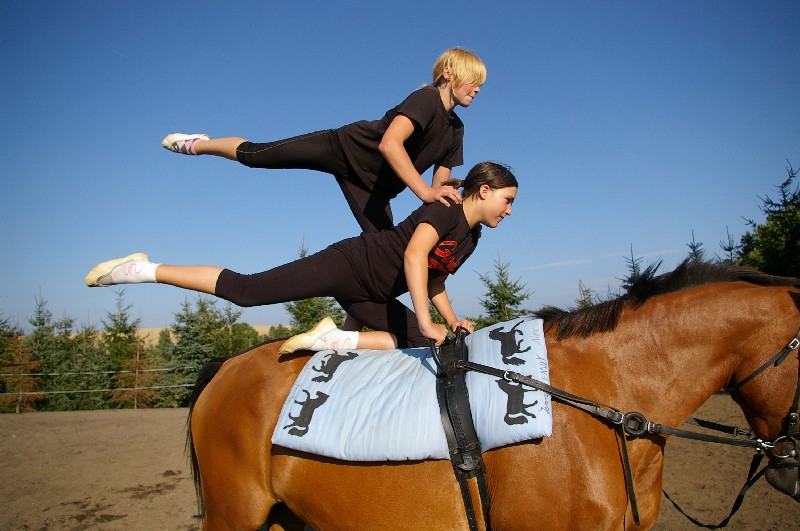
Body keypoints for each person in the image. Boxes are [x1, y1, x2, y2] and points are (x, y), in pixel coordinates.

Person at [85, 161, 517, 353]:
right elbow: (415, 257)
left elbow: (435, 278)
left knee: (427, 342)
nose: (509, 210)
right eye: (507, 199)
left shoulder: (472, 237)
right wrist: (424, 319)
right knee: (247, 291)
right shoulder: (444, 209)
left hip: (373, 296)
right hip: (349, 265)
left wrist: (451, 321)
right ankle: (144, 268)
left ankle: (333, 339)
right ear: (484, 190)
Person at [161, 47, 486, 234]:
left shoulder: (456, 129)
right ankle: (198, 145)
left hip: (373, 189)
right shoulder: (426, 99)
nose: (477, 89)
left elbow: (437, 189)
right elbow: (390, 144)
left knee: (383, 254)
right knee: (257, 155)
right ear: (448, 74)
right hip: (343, 149)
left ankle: (345, 332)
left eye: (481, 84)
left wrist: (450, 198)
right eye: (473, 80)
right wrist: (426, 191)